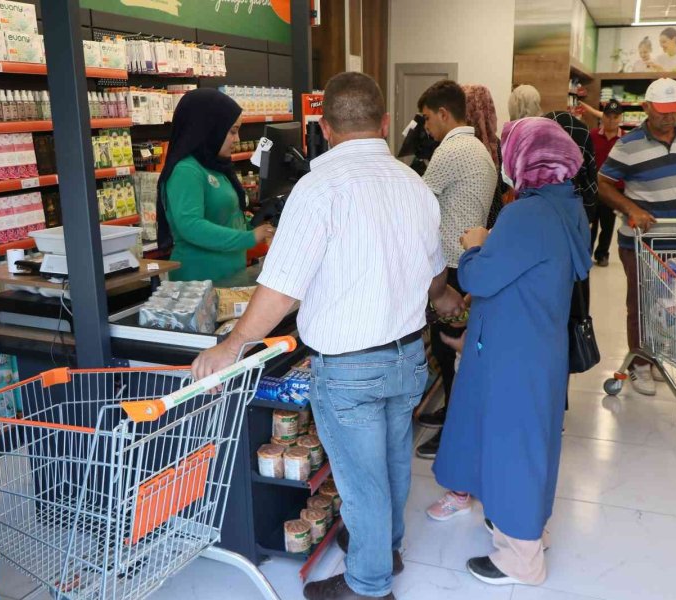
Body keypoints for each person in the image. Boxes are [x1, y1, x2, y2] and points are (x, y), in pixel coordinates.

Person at [191, 72, 464, 600]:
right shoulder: (415, 184)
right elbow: (435, 276)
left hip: (350, 366)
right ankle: (386, 550)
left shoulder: (318, 190)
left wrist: (232, 345)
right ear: (384, 123)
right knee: (391, 463)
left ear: (325, 127)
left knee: (362, 481)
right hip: (408, 355)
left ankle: (368, 585)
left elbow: (281, 289)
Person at [433, 117, 591, 587]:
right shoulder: (568, 206)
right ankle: (526, 529)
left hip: (513, 353)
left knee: (512, 446)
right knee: (530, 441)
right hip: (537, 343)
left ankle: (518, 557)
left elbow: (479, 279)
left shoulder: (527, 214)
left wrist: (475, 246)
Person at [598, 78, 676, 396]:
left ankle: (656, 356)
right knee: (641, 303)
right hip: (641, 243)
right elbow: (602, 183)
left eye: (675, 111)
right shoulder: (628, 145)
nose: (669, 118)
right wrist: (630, 209)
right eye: (663, 111)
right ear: (646, 108)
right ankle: (639, 363)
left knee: (673, 304)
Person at [414, 80, 497, 459]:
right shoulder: (479, 147)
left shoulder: (451, 150)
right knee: (455, 350)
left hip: (449, 265)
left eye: (428, 118)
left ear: (444, 114)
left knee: (450, 351)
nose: (426, 127)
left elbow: (420, 201)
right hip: (468, 260)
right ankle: (454, 414)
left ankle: (454, 431)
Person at [156, 88, 274, 282]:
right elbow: (191, 226)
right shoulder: (186, 171)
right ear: (209, 129)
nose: (237, 139)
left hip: (228, 276)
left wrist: (257, 223)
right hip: (198, 282)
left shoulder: (216, 166)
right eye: (232, 131)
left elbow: (227, 220)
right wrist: (250, 237)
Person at [462, 84, 507, 227]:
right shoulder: (498, 145)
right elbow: (504, 185)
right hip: (495, 221)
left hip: (466, 224)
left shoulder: (461, 147)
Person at [588, 99, 624, 267]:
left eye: (615, 117)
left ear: (620, 118)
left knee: (608, 225)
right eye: (608, 116)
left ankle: (602, 254)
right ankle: (586, 252)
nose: (611, 120)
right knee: (590, 223)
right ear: (602, 116)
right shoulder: (592, 135)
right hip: (593, 188)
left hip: (613, 191)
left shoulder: (626, 139)